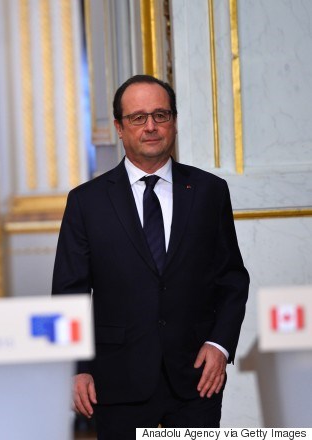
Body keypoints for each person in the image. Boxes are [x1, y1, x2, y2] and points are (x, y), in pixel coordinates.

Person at [52, 74, 249, 438]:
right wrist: (75, 367)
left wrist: (220, 344)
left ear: (173, 122)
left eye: (160, 115)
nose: (151, 127)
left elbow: (233, 279)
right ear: (119, 128)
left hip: (196, 375)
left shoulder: (209, 191)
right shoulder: (86, 202)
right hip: (116, 376)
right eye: (138, 118)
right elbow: (69, 293)